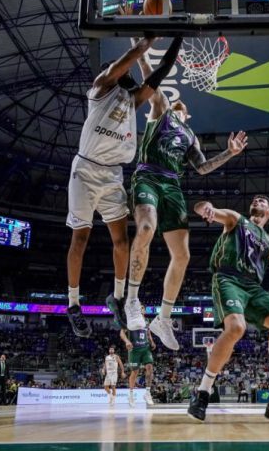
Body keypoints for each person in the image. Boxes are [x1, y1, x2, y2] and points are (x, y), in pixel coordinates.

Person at [124, 43, 248, 349]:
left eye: (185, 107)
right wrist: (139, 50)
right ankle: (131, 300)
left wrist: (229, 153)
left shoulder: (190, 136)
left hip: (173, 185)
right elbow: (150, 79)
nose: (182, 106)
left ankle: (163, 318)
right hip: (148, 175)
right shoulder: (161, 110)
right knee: (146, 228)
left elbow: (203, 168)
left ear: (188, 115)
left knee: (183, 255)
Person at [65, 35, 183, 337]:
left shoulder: (134, 99)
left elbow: (160, 74)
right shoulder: (100, 88)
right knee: (80, 239)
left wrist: (179, 36)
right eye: (122, 71)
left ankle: (117, 298)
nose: (127, 74)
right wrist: (149, 37)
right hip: (86, 170)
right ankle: (74, 304)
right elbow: (131, 56)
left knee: (122, 241)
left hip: (113, 175)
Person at [186, 195, 269, 423]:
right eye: (256, 199)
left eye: (263, 200)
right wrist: (207, 208)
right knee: (236, 328)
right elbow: (203, 207)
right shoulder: (236, 219)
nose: (257, 200)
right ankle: (202, 393)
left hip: (253, 287)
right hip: (228, 278)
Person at [120, 305, 157, 407]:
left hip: (145, 348)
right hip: (134, 350)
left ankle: (148, 393)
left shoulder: (147, 321)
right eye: (138, 308)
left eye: (142, 308)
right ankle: (131, 395)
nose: (140, 309)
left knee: (149, 367)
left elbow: (148, 333)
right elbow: (122, 333)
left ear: (144, 310)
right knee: (135, 372)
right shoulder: (130, 320)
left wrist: (152, 342)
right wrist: (127, 341)